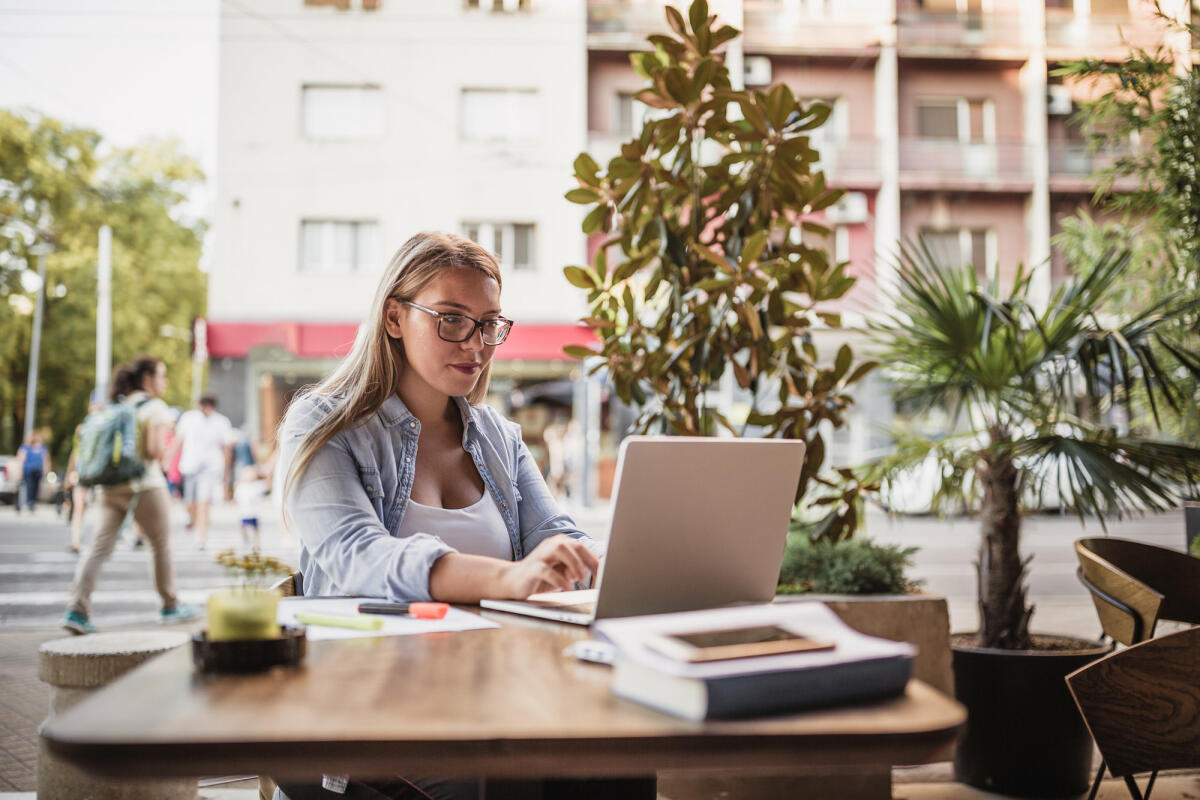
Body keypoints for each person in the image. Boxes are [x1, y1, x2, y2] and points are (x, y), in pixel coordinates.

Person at [276, 232, 650, 800]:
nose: (475, 343)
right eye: (451, 319)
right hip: (365, 698)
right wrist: (508, 576)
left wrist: (627, 568)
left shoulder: (499, 437)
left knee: (619, 749)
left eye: (489, 322)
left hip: (493, 681)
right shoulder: (324, 425)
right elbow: (358, 557)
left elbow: (554, 536)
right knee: (493, 769)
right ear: (395, 317)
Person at [62, 357, 200, 635]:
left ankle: (77, 610)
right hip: (145, 487)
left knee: (98, 549)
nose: (165, 381)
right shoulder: (155, 408)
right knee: (160, 544)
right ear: (147, 379)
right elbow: (155, 452)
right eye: (162, 375)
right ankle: (169, 605)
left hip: (110, 488)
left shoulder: (119, 406)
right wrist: (173, 443)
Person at [171, 395, 234, 550]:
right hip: (190, 466)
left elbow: (226, 449)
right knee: (189, 503)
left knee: (203, 502)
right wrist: (168, 459)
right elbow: (178, 441)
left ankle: (201, 537)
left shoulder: (221, 422)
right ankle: (196, 521)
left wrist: (226, 474)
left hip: (211, 468)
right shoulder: (188, 419)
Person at [15, 431, 50, 514]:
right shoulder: (26, 447)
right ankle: (29, 502)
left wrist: (46, 470)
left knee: (36, 487)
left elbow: (46, 460)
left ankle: (33, 502)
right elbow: (21, 460)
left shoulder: (43, 448)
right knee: (29, 486)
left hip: (38, 471)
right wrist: (19, 472)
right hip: (28, 471)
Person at [234, 464, 266, 550]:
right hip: (244, 513)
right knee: (243, 527)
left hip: (254, 513)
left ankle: (256, 541)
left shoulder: (257, 485)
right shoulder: (241, 486)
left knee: (255, 528)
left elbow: (267, 485)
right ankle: (245, 538)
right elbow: (236, 497)